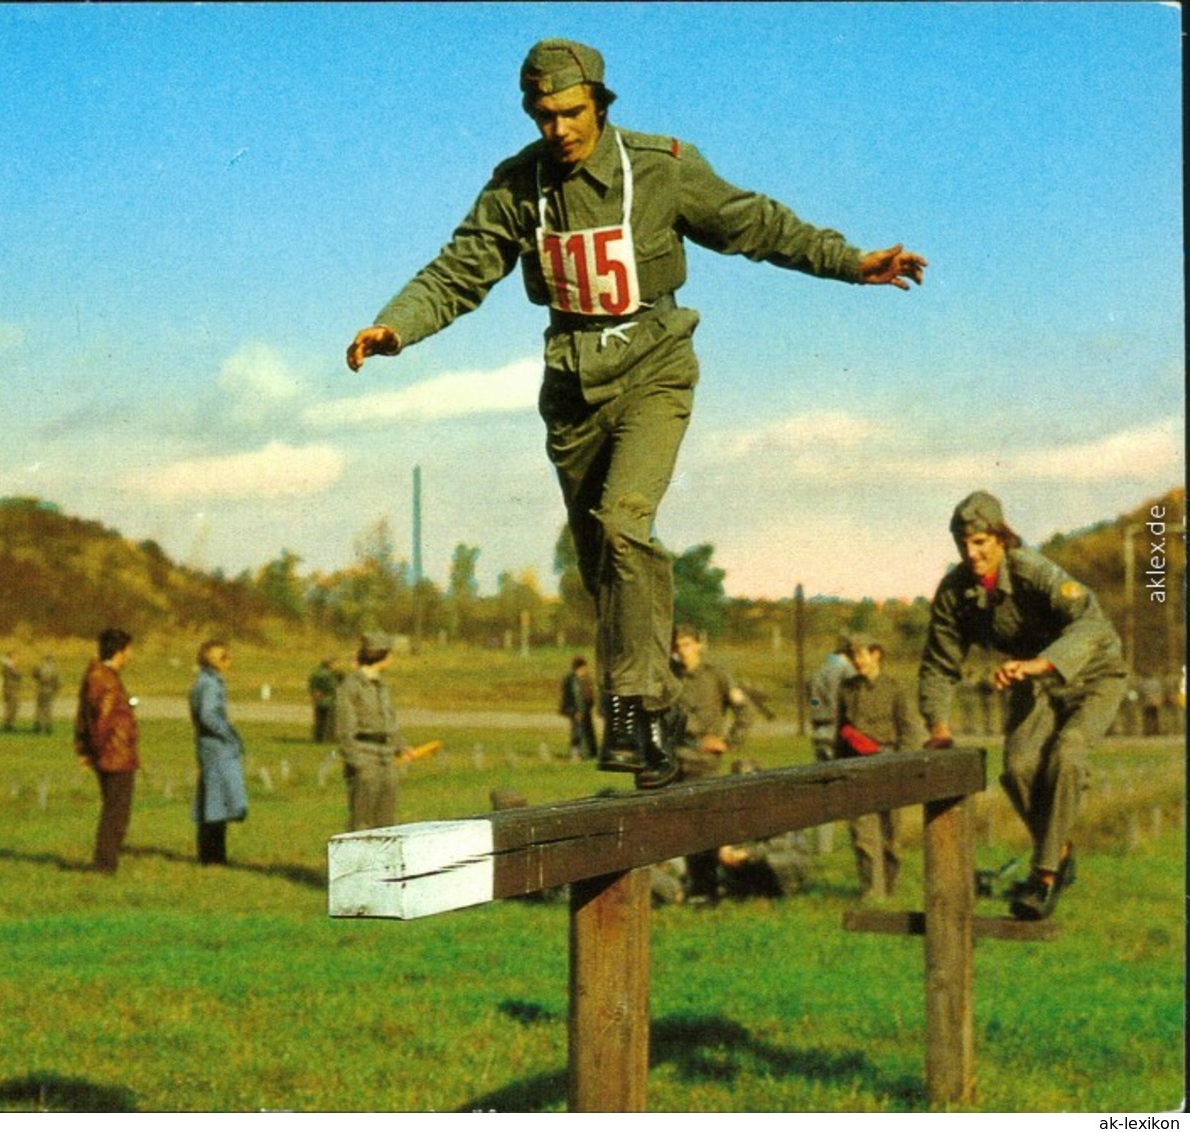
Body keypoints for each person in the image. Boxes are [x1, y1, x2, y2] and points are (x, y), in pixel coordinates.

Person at [346, 38, 926, 791]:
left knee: (625, 524)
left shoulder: (658, 167)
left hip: (652, 366)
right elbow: (459, 269)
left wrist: (849, 262)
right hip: (571, 388)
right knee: (602, 566)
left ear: (599, 103)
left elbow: (754, 224)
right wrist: (396, 326)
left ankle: (643, 708)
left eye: (570, 112)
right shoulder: (516, 188)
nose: (557, 129)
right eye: (541, 115)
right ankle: (646, 723)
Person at [919, 491, 1126, 921]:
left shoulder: (1031, 569)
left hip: (1093, 673)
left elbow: (1091, 622)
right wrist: (938, 726)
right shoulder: (956, 592)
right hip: (1034, 681)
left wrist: (1039, 663)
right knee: (1016, 769)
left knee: (1067, 753)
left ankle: (1044, 876)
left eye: (980, 542)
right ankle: (1061, 850)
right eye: (963, 544)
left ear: (1000, 537)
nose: (971, 553)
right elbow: (939, 664)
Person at [835, 633, 925, 901]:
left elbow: (910, 732)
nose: (856, 661)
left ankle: (889, 888)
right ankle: (871, 892)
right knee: (862, 833)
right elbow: (841, 729)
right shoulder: (846, 689)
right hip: (856, 767)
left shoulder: (895, 689)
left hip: (888, 765)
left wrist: (904, 767)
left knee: (890, 836)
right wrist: (837, 766)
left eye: (861, 655)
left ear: (877, 654)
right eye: (853, 656)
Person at [672, 624, 755, 897]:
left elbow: (745, 711)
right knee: (680, 827)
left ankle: (708, 886)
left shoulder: (716, 675)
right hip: (675, 761)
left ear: (698, 645)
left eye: (686, 644)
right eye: (677, 645)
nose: (682, 651)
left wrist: (729, 742)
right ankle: (694, 885)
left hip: (704, 763)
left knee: (706, 826)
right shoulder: (671, 678)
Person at [74, 628, 140, 874]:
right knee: (116, 813)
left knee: (114, 810)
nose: (131, 655)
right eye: (129, 650)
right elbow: (102, 721)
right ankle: (104, 863)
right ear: (120, 651)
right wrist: (97, 750)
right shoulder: (107, 681)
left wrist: (83, 747)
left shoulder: (98, 676)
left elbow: (83, 717)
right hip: (115, 755)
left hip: (111, 753)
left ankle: (105, 861)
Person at [336, 631, 409, 831]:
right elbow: (344, 729)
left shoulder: (381, 685)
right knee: (363, 820)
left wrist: (400, 745)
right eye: (389, 654)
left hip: (386, 757)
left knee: (387, 820)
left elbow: (389, 721)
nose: (392, 658)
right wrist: (357, 763)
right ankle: (358, 863)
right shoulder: (351, 685)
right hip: (364, 756)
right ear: (380, 655)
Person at [715, 758, 811, 899]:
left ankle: (783, 890)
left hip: (788, 857)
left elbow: (781, 844)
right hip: (754, 857)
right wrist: (725, 847)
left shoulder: (776, 804)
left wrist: (747, 853)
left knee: (770, 860)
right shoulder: (733, 804)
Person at [190, 639, 249, 865]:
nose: (229, 662)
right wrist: (228, 734)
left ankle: (211, 857)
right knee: (217, 804)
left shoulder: (204, 682)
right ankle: (213, 858)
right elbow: (208, 715)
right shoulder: (210, 685)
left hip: (209, 749)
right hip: (217, 751)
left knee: (214, 803)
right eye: (225, 657)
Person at [806, 637, 855, 762]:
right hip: (838, 726)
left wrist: (817, 707)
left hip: (818, 727)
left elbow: (813, 700)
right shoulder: (846, 670)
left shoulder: (816, 672)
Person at [560, 656, 599, 760]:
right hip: (575, 710)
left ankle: (588, 753)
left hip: (585, 710)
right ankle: (575, 754)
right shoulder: (571, 680)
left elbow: (588, 695)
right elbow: (569, 697)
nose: (586, 670)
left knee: (586, 732)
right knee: (577, 732)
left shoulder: (584, 679)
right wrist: (575, 711)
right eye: (584, 668)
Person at [308, 657, 340, 744]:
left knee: (319, 721)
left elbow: (312, 686)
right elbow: (332, 687)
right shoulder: (330, 675)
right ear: (330, 664)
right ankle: (329, 739)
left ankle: (318, 738)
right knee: (330, 722)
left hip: (318, 700)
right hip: (330, 700)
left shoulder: (315, 673)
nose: (337, 666)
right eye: (336, 664)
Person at [32, 654, 60, 735]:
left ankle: (39, 727)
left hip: (40, 690)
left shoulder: (40, 668)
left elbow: (34, 676)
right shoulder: (53, 670)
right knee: (48, 710)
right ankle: (48, 727)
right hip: (49, 691)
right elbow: (57, 682)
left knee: (39, 709)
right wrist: (55, 690)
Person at [0, 650, 22, 732]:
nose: (17, 659)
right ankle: (7, 726)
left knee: (13, 707)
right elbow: (18, 675)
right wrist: (12, 666)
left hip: (12, 689)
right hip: (10, 689)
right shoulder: (9, 667)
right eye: (15, 657)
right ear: (11, 658)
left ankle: (9, 725)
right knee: (11, 708)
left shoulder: (9, 666)